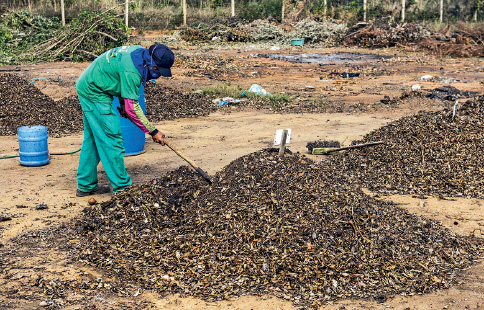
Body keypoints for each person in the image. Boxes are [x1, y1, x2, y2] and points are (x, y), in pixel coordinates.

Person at [75, 44, 175, 197]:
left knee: (94, 140)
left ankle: (86, 185)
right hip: (94, 91)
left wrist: (122, 103)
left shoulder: (139, 54)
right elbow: (132, 108)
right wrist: (153, 131)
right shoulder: (133, 71)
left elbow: (119, 77)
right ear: (152, 63)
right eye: (158, 70)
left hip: (90, 83)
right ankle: (123, 189)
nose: (158, 75)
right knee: (111, 138)